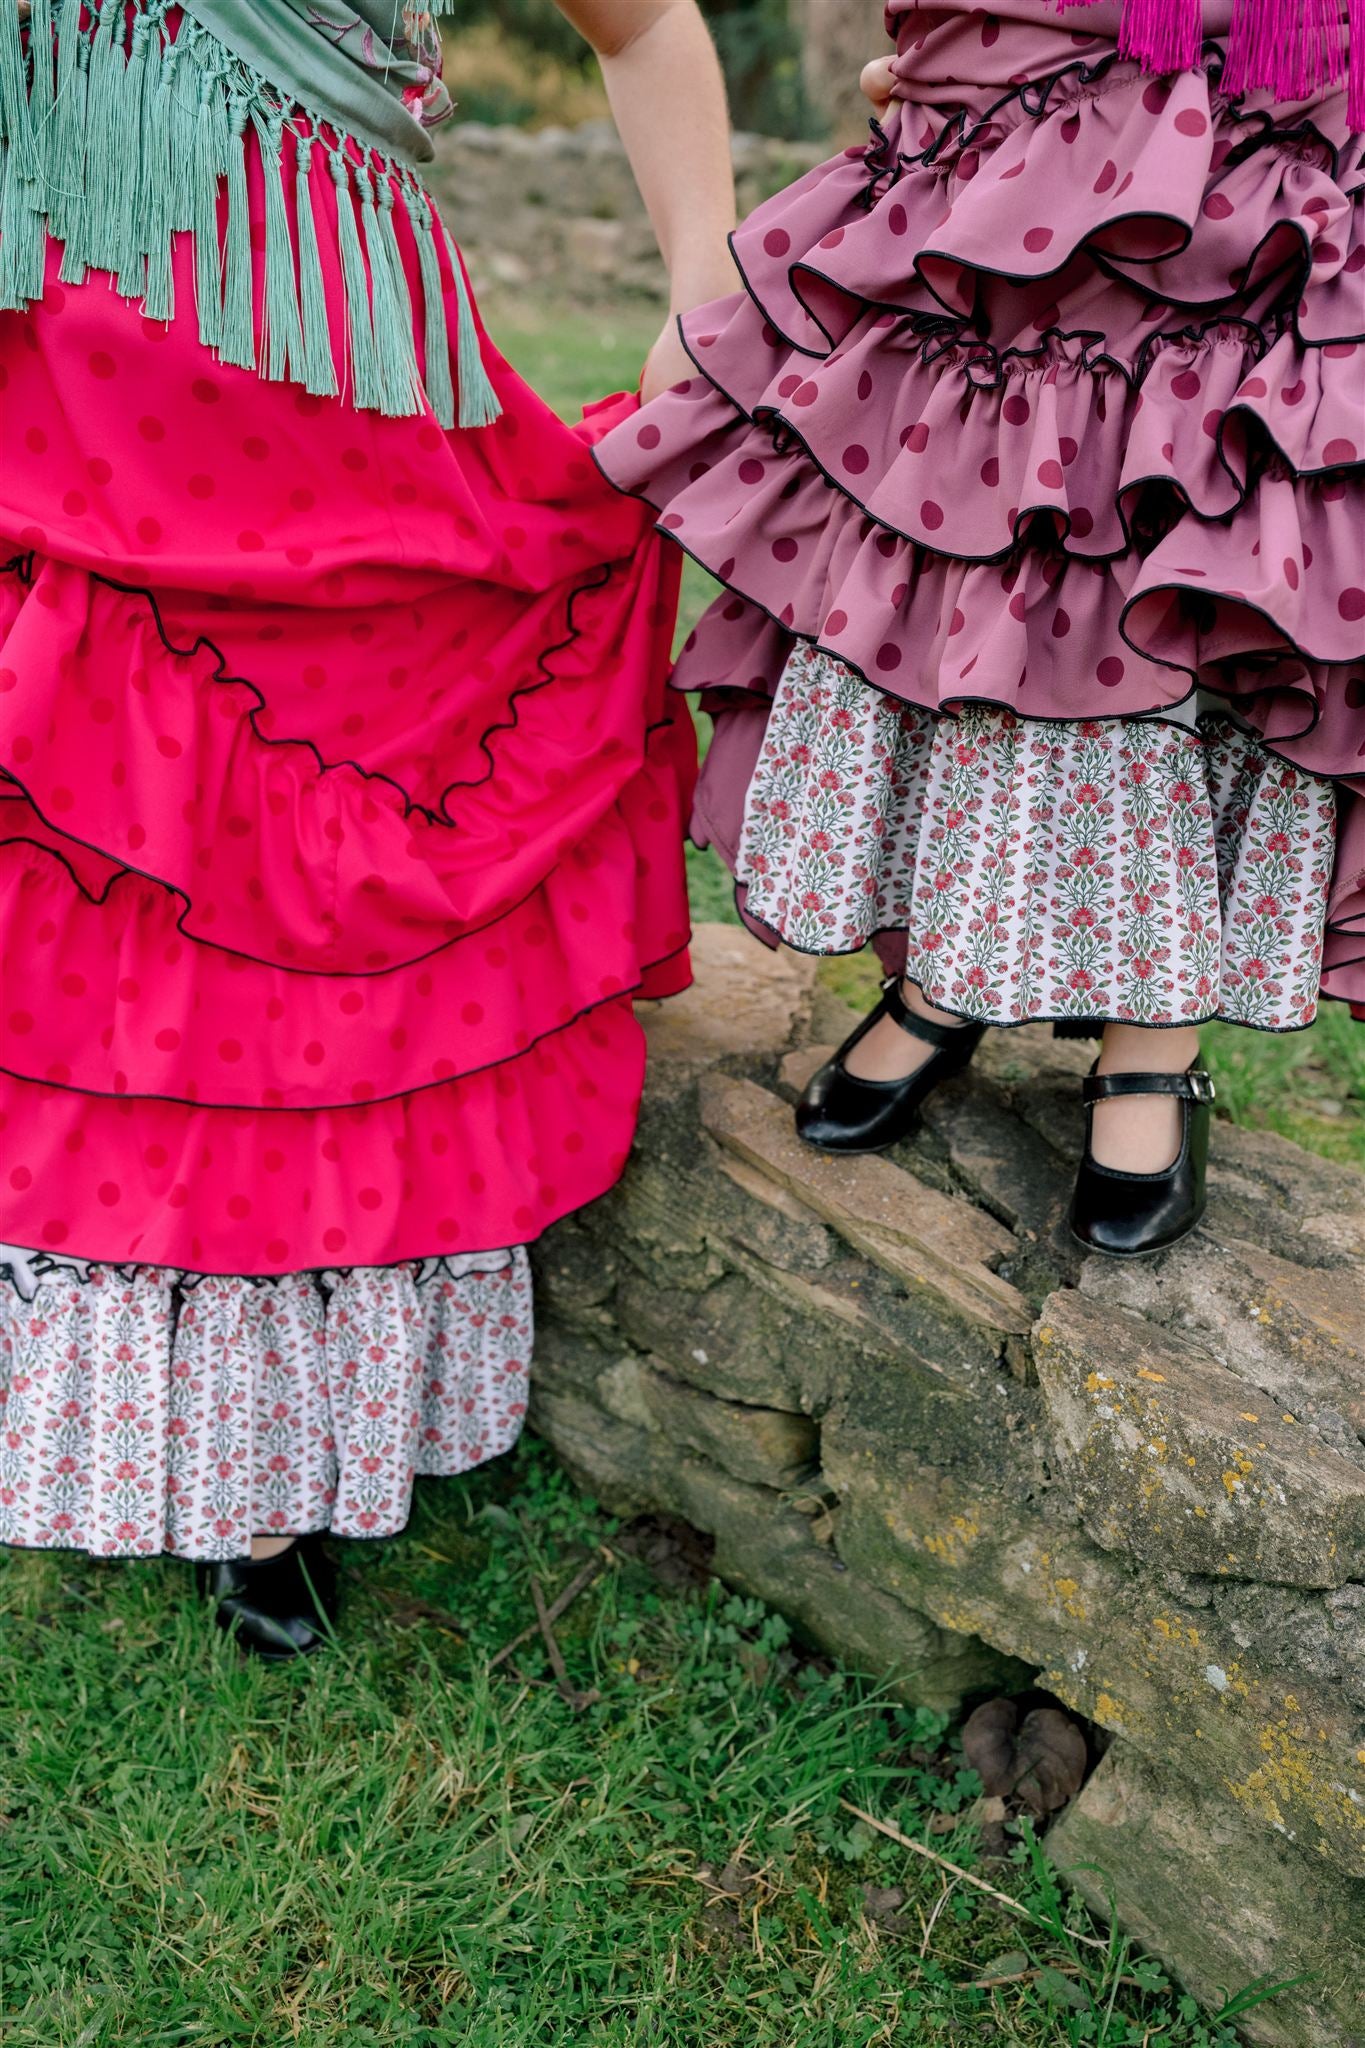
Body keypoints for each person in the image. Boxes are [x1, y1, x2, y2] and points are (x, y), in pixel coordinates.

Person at [0, 0, 735, 1656]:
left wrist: (707, 281)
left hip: (342, 416)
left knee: (320, 953)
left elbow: (643, 22)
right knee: (114, 928)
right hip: (62, 420)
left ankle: (287, 1449)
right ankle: (194, 1444)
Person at [596, 0, 1365, 1260]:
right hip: (1017, 65)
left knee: (1179, 518)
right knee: (984, 519)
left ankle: (1153, 1036)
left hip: (1264, 72)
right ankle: (954, 963)